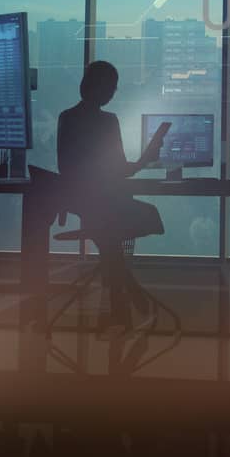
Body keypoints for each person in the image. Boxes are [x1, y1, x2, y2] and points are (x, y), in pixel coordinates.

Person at [55, 61, 167, 330]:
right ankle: (125, 298)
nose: (114, 92)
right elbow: (119, 171)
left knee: (108, 237)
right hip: (105, 205)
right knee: (142, 217)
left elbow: (67, 169)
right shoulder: (108, 121)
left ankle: (123, 302)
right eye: (113, 87)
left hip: (82, 205)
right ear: (103, 87)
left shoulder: (66, 117)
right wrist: (144, 161)